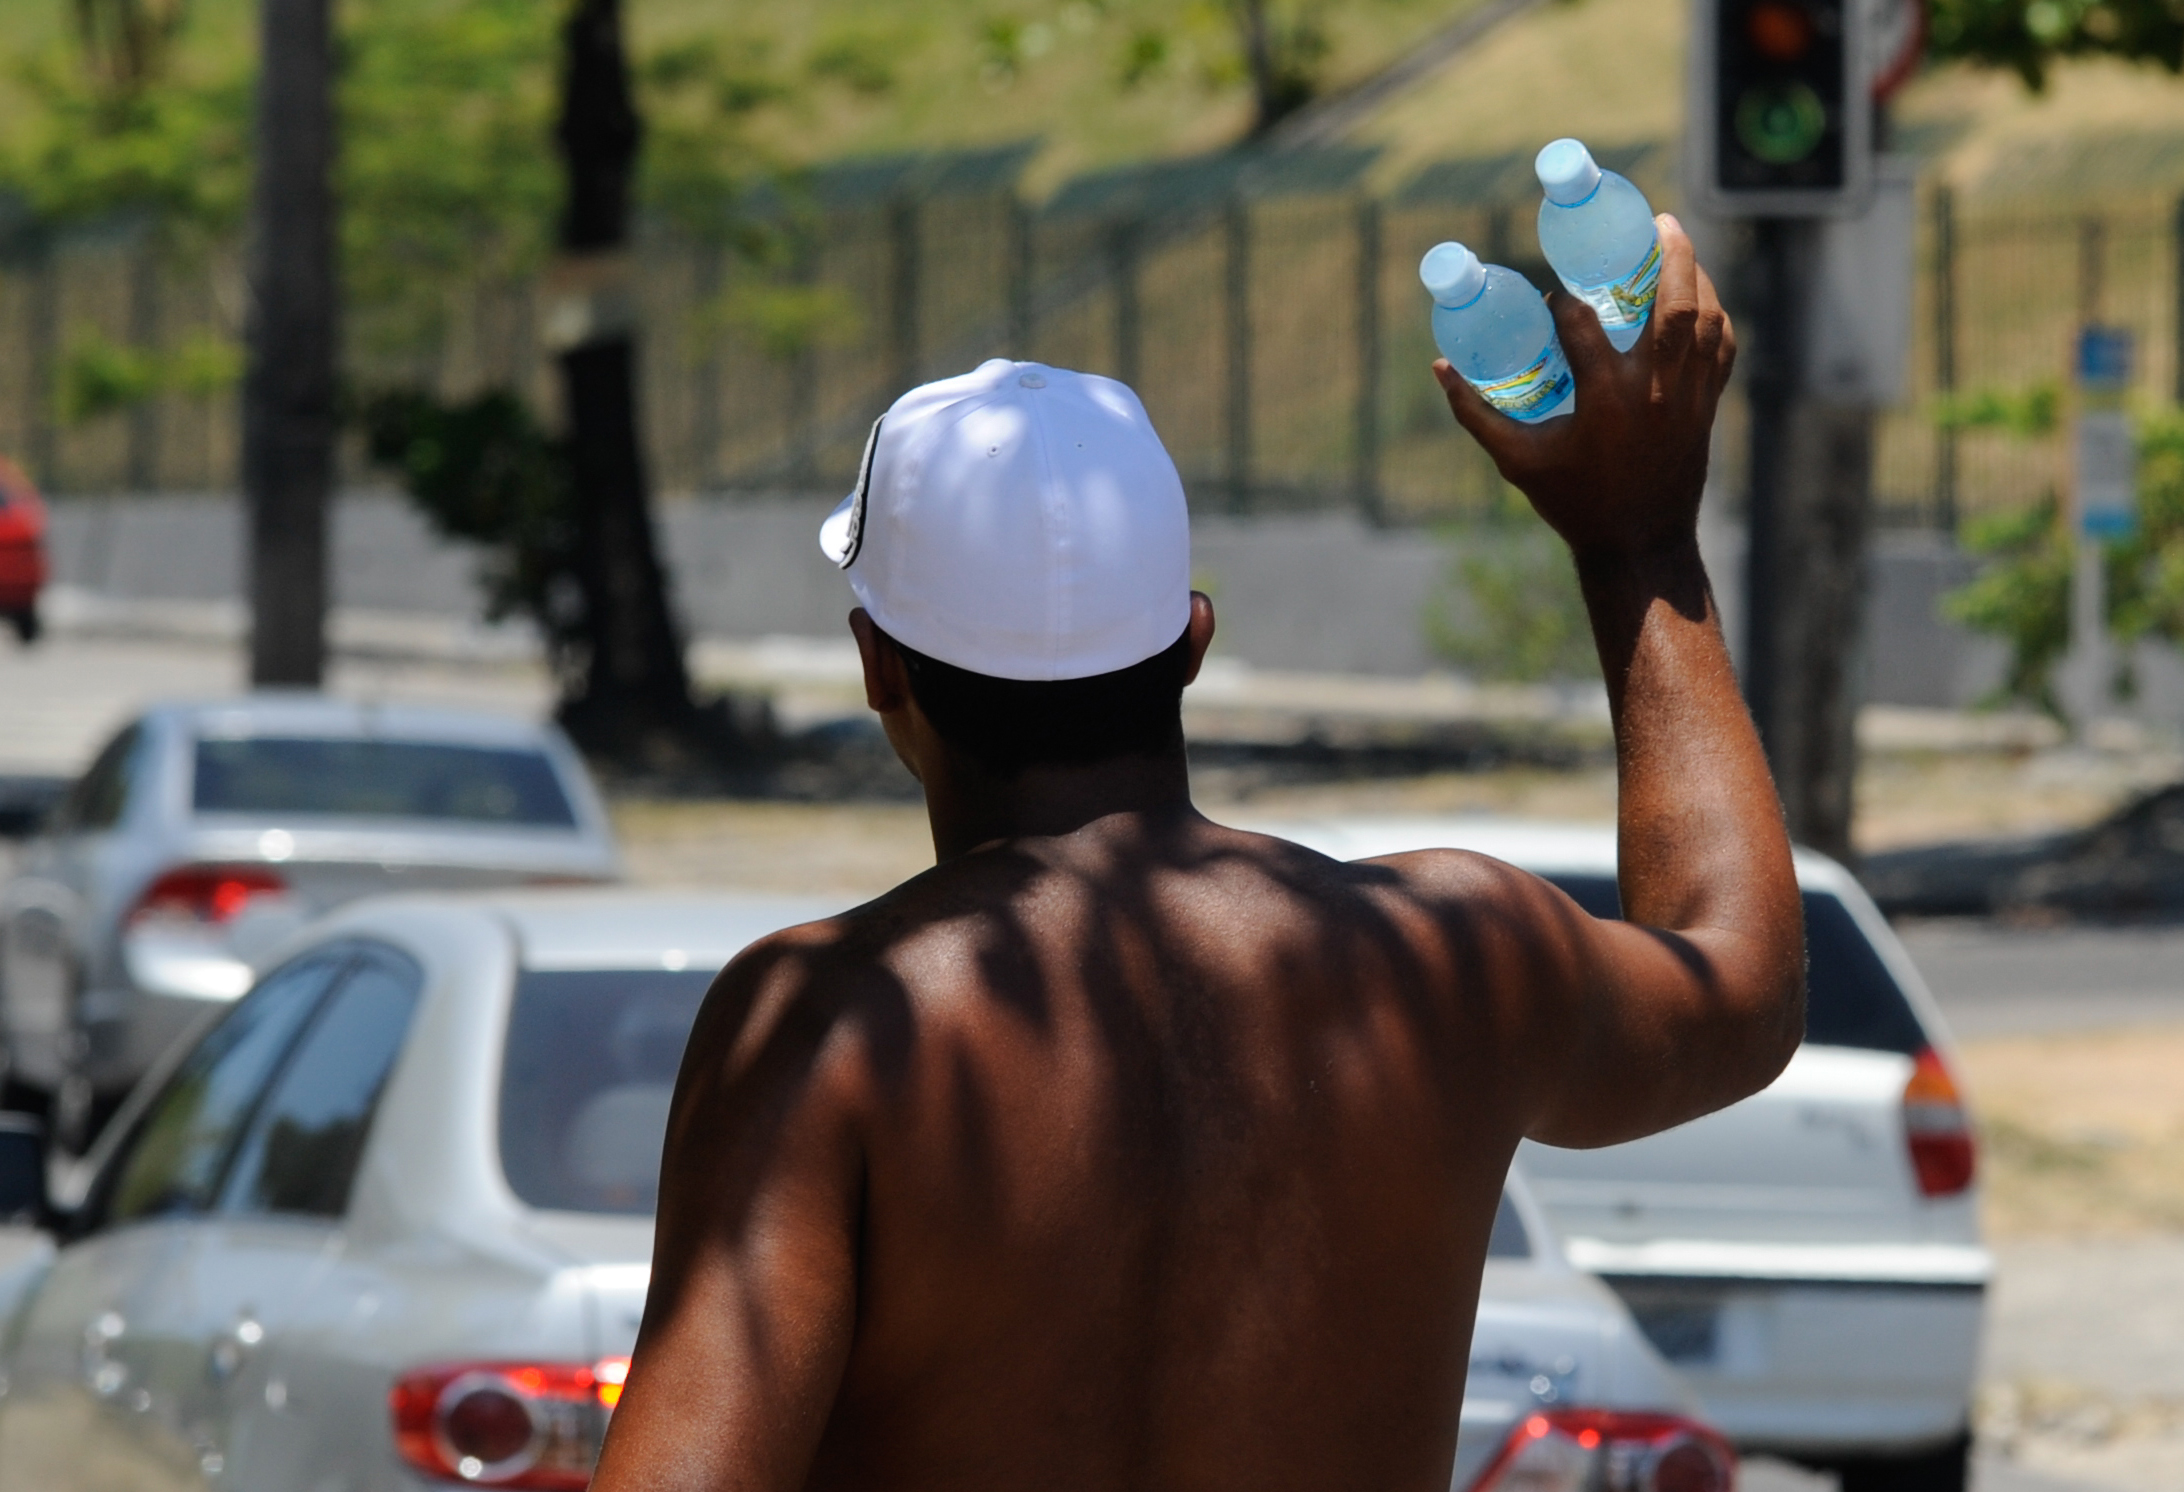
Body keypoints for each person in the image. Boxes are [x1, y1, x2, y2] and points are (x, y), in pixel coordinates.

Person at [592, 215, 1803, 1492]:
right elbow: (1743, 980)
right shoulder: (1449, 959)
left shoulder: (833, 1029)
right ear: (1191, 641)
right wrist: (1640, 545)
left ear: (879, 665)